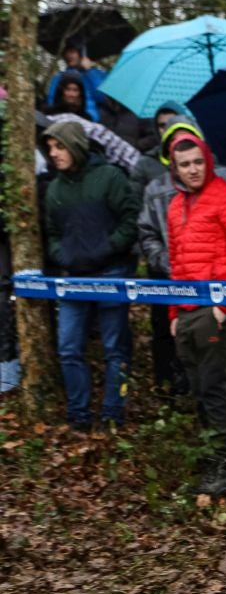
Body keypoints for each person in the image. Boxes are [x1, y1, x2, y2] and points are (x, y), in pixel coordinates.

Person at [166, 133, 226, 496]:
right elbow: (175, 262)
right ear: (175, 168)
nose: (192, 170)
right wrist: (173, 312)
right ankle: (211, 457)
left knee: (215, 386)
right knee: (199, 389)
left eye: (198, 162)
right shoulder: (174, 206)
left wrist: (223, 309)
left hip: (214, 311)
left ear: (208, 160)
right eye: (185, 165)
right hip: (185, 312)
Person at [41, 120, 139, 431]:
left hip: (112, 271)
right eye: (50, 148)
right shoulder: (54, 189)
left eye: (59, 146)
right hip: (74, 278)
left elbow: (131, 218)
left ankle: (113, 413)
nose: (53, 154)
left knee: (115, 348)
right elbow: (52, 233)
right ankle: (79, 415)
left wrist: (108, 248)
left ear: (75, 146)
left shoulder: (109, 177)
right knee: (68, 347)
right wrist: (62, 255)